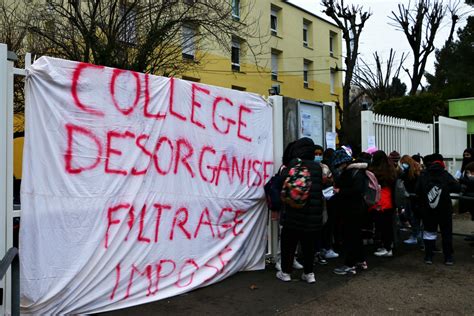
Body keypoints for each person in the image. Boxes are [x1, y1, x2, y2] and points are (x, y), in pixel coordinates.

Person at [276, 137, 324, 283]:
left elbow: (282, 182)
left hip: (293, 213)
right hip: (312, 216)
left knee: (288, 244)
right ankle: (309, 274)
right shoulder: (317, 167)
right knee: (309, 246)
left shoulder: (294, 164)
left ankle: (286, 273)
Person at [416, 153, 461, 265]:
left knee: (429, 233)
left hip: (428, 210)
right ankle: (448, 257)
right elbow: (457, 187)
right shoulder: (445, 175)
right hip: (444, 210)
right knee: (446, 233)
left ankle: (429, 256)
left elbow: (417, 190)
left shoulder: (424, 174)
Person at [332, 149, 368, 275]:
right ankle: (361, 260)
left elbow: (355, 191)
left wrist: (340, 191)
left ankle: (349, 264)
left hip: (351, 209)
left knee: (350, 237)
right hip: (358, 209)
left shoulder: (351, 173)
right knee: (356, 236)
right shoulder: (359, 171)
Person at [370, 150, 397, 257]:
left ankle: (386, 248)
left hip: (379, 200)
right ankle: (387, 245)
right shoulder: (390, 169)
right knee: (388, 225)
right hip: (389, 200)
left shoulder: (375, 171)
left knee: (382, 226)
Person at [314, 145, 338, 261]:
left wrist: (328, 181)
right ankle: (318, 250)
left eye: (320, 154)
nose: (318, 156)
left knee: (325, 224)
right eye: (316, 154)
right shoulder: (312, 166)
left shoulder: (325, 167)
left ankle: (323, 248)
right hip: (316, 201)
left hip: (325, 200)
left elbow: (331, 179)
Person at [399, 155, 422, 245]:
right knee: (409, 215)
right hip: (410, 197)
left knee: (413, 217)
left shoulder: (414, 172)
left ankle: (416, 235)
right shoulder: (411, 170)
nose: (402, 165)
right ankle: (416, 234)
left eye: (403, 163)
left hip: (414, 197)